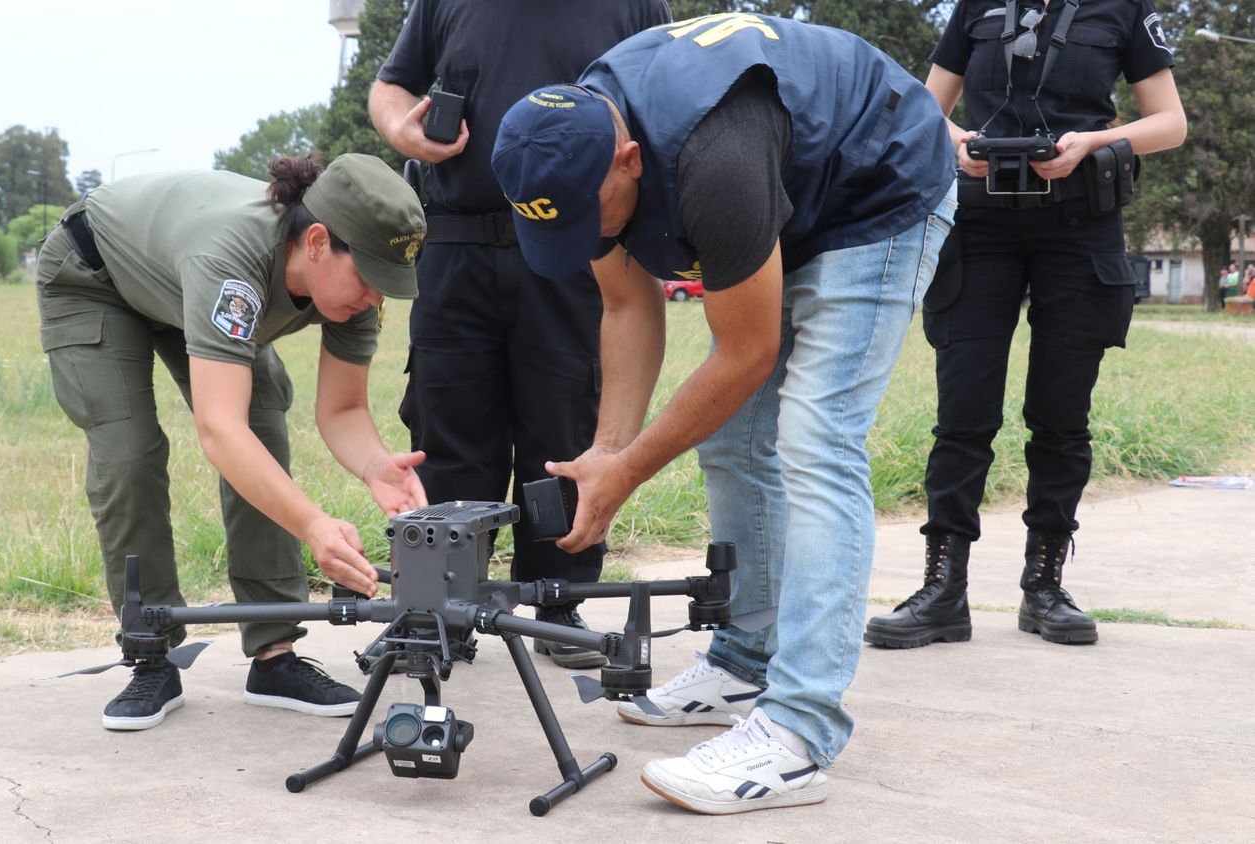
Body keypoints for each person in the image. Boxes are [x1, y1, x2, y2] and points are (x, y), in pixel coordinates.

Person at [491, 11, 956, 814]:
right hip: (789, 188)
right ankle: (745, 662)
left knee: (816, 438)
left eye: (585, 217)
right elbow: (630, 309)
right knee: (732, 439)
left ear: (629, 159)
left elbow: (747, 353)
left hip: (877, 185)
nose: (582, 234)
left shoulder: (712, 157)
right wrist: (609, 449)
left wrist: (630, 471)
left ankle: (800, 732)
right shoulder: (573, 151)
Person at [35, 154, 429, 731]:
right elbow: (221, 431)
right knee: (129, 454)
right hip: (95, 276)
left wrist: (375, 466)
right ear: (317, 241)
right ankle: (150, 653)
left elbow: (342, 409)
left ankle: (275, 656)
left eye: (388, 286)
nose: (376, 299)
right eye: (369, 278)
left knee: (263, 415)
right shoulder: (233, 259)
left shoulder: (352, 290)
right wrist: (315, 526)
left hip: (180, 278)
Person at [866, 0, 1186, 650]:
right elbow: (930, 103)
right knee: (963, 413)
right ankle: (943, 591)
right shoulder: (978, 8)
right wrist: (956, 141)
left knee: (1061, 415)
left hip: (1080, 223)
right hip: (982, 223)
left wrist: (1094, 142)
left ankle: (1044, 586)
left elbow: (1171, 122)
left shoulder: (1121, 10)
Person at [367, 0, 670, 668]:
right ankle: (439, 607)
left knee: (561, 420)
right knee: (448, 425)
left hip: (574, 247)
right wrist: (405, 133)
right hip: (456, 241)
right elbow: (391, 86)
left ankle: (558, 599)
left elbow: (657, 95)